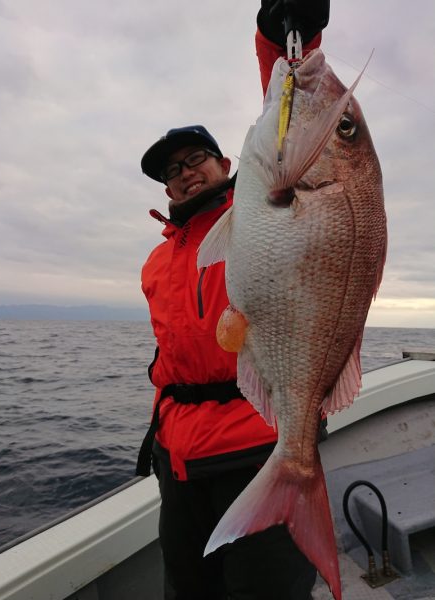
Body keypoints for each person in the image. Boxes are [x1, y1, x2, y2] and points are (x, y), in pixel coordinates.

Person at [138, 2, 330, 599]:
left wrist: (281, 38)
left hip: (257, 445)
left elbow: (296, 120)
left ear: (229, 164)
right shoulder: (157, 260)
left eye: (196, 158)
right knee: (186, 589)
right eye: (172, 170)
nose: (185, 172)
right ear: (166, 189)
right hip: (179, 460)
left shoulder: (259, 209)